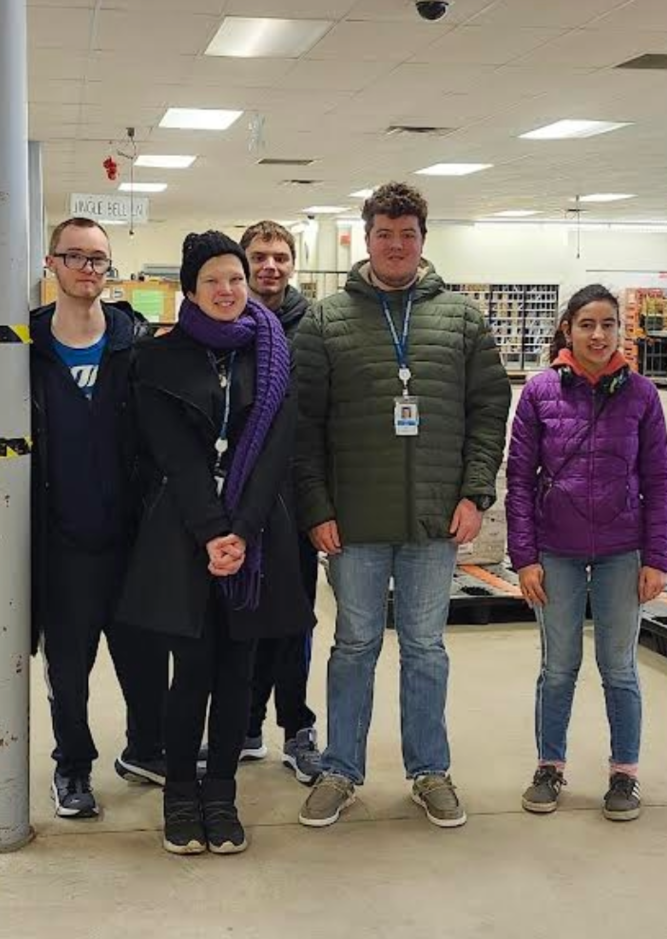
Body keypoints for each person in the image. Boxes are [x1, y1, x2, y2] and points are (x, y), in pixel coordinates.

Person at [295, 181, 511, 829]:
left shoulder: (463, 318)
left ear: (423, 239)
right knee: (353, 645)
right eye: (384, 233)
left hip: (432, 522)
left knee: (426, 648)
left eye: (407, 234)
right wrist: (316, 508)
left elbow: (488, 410)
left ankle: (429, 769)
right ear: (365, 239)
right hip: (353, 524)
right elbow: (303, 426)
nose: (395, 245)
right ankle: (340, 768)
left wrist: (475, 494)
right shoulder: (326, 318)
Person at [117, 231, 313, 855]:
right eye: (213, 281)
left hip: (256, 535)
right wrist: (213, 533)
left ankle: (222, 795)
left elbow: (279, 451)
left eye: (235, 277)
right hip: (185, 534)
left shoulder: (275, 354)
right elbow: (173, 456)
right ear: (190, 290)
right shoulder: (158, 358)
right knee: (193, 670)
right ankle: (180, 795)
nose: (228, 290)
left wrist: (244, 531)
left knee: (238, 671)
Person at [505, 283, 667, 821]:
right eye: (586, 325)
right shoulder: (538, 394)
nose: (597, 335)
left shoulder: (643, 396)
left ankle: (624, 774)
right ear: (568, 330)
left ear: (620, 331)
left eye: (607, 325)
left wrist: (658, 558)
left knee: (618, 667)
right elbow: (519, 482)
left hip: (623, 552)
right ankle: (549, 767)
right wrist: (524, 557)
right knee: (558, 667)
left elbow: (658, 480)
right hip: (555, 551)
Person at [31, 217, 167, 820]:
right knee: (70, 664)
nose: (89, 269)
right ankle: (73, 767)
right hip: (62, 542)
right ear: (52, 264)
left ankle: (145, 749)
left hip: (131, 539)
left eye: (99, 260)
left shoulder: (131, 342)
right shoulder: (24, 344)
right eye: (76, 257)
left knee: (142, 656)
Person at [231, 220, 322, 784]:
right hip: (237, 493)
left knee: (296, 617)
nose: (270, 265)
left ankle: (297, 727)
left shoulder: (316, 326)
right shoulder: (226, 320)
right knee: (239, 610)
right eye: (259, 256)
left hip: (295, 493)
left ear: (293, 263)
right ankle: (243, 723)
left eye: (280, 256)